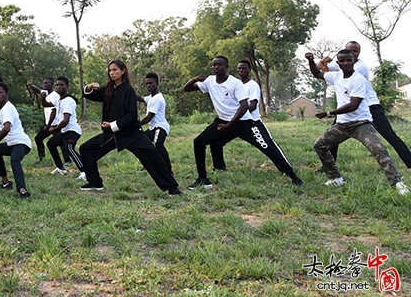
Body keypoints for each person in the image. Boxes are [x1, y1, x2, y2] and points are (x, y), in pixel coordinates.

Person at [184, 56, 302, 190]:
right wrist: (195, 79)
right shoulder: (210, 81)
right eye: (214, 65)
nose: (216, 67)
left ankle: (293, 176)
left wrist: (229, 126)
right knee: (199, 141)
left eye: (220, 65)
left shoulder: (235, 83)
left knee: (266, 146)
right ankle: (203, 179)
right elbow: (187, 89)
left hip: (243, 123)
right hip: (223, 121)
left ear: (226, 67)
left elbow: (244, 105)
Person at [306, 50, 408, 194]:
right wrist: (311, 60)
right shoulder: (336, 76)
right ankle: (335, 178)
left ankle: (397, 184)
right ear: (338, 63)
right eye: (342, 61)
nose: (346, 63)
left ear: (354, 61)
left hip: (361, 124)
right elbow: (317, 73)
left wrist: (329, 113)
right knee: (320, 146)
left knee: (378, 149)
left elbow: (354, 105)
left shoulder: (359, 79)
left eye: (349, 60)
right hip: (342, 125)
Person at [79, 60, 181, 195]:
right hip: (112, 134)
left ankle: (172, 187)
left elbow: (132, 116)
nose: (112, 73)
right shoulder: (108, 89)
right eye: (110, 70)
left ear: (123, 71)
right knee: (86, 149)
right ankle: (95, 182)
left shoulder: (128, 90)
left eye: (115, 70)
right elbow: (89, 95)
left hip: (131, 134)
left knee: (151, 153)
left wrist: (113, 125)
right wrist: (89, 87)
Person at [318, 41, 411, 169]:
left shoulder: (360, 67)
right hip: (351, 107)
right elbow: (321, 69)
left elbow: (330, 72)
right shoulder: (345, 62)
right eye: (350, 50)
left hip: (370, 106)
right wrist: (322, 62)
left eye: (355, 51)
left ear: (359, 53)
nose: (352, 54)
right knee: (333, 135)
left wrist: (325, 67)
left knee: (389, 134)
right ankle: (327, 167)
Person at [0, 82, 32, 198]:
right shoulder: (1, 108)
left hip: (21, 142)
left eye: (0, 92)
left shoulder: (8, 108)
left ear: (7, 94)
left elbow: (6, 128)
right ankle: (6, 182)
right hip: (12, 143)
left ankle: (23, 190)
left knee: (15, 160)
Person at [47, 77, 86, 180]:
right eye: (57, 85)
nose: (59, 87)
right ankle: (61, 168)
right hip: (65, 131)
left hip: (72, 130)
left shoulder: (68, 100)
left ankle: (84, 172)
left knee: (69, 147)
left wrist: (54, 129)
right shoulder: (60, 100)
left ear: (67, 86)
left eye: (62, 85)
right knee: (51, 144)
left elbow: (66, 120)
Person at [137, 72, 174, 177]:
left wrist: (136, 124)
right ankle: (149, 164)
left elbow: (149, 117)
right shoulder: (151, 97)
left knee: (158, 144)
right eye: (147, 84)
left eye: (151, 83)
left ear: (157, 83)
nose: (149, 85)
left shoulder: (157, 98)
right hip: (153, 127)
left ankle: (168, 170)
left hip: (160, 127)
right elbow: (140, 98)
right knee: (143, 143)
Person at [27, 78, 70, 165]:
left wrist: (49, 125)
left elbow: (53, 111)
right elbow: (38, 90)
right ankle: (41, 158)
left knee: (61, 142)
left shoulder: (55, 95)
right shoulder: (45, 93)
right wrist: (31, 87)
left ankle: (67, 160)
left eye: (47, 83)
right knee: (38, 138)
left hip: (56, 123)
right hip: (48, 123)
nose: (45, 85)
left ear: (52, 84)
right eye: (44, 83)